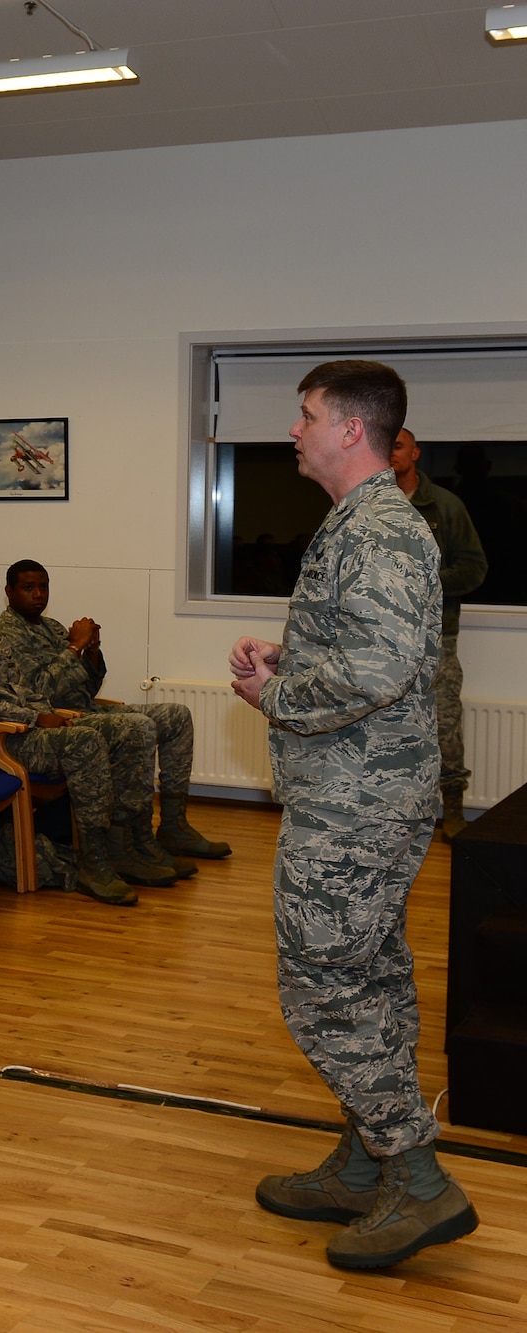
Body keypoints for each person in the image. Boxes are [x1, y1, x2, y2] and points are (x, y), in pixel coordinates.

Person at [229, 360, 475, 1270]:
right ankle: (365, 1159)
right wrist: (289, 647)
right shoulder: (364, 525)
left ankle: (415, 1176)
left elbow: (377, 672)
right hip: (359, 797)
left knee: (326, 985)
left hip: (356, 807)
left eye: (306, 416)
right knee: (369, 979)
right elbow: (374, 644)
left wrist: (276, 690)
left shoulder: (381, 530)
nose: (293, 430)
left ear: (350, 430)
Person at [0, 561, 146, 906]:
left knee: (94, 731)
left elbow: (21, 688)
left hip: (16, 732)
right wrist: (34, 716)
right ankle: (94, 861)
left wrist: (51, 712)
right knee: (85, 743)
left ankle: (118, 849)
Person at [0, 559, 230, 869]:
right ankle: (132, 838)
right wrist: (75, 647)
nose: (38, 594)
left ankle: (174, 825)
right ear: (9, 592)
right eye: (28, 588)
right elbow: (38, 692)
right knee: (139, 726)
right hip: (59, 722)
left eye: (43, 587)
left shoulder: (51, 627)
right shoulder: (5, 634)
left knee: (177, 715)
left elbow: (87, 688)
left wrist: (92, 651)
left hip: (86, 710)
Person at [389, 428, 487, 840]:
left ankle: (455, 809)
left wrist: (424, 583)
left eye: (397, 446)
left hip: (436, 638)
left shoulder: (444, 506)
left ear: (416, 453)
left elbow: (473, 567)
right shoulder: (371, 506)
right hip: (383, 638)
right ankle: (395, 811)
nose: (391, 454)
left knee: (444, 725)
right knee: (389, 727)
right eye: (385, 447)